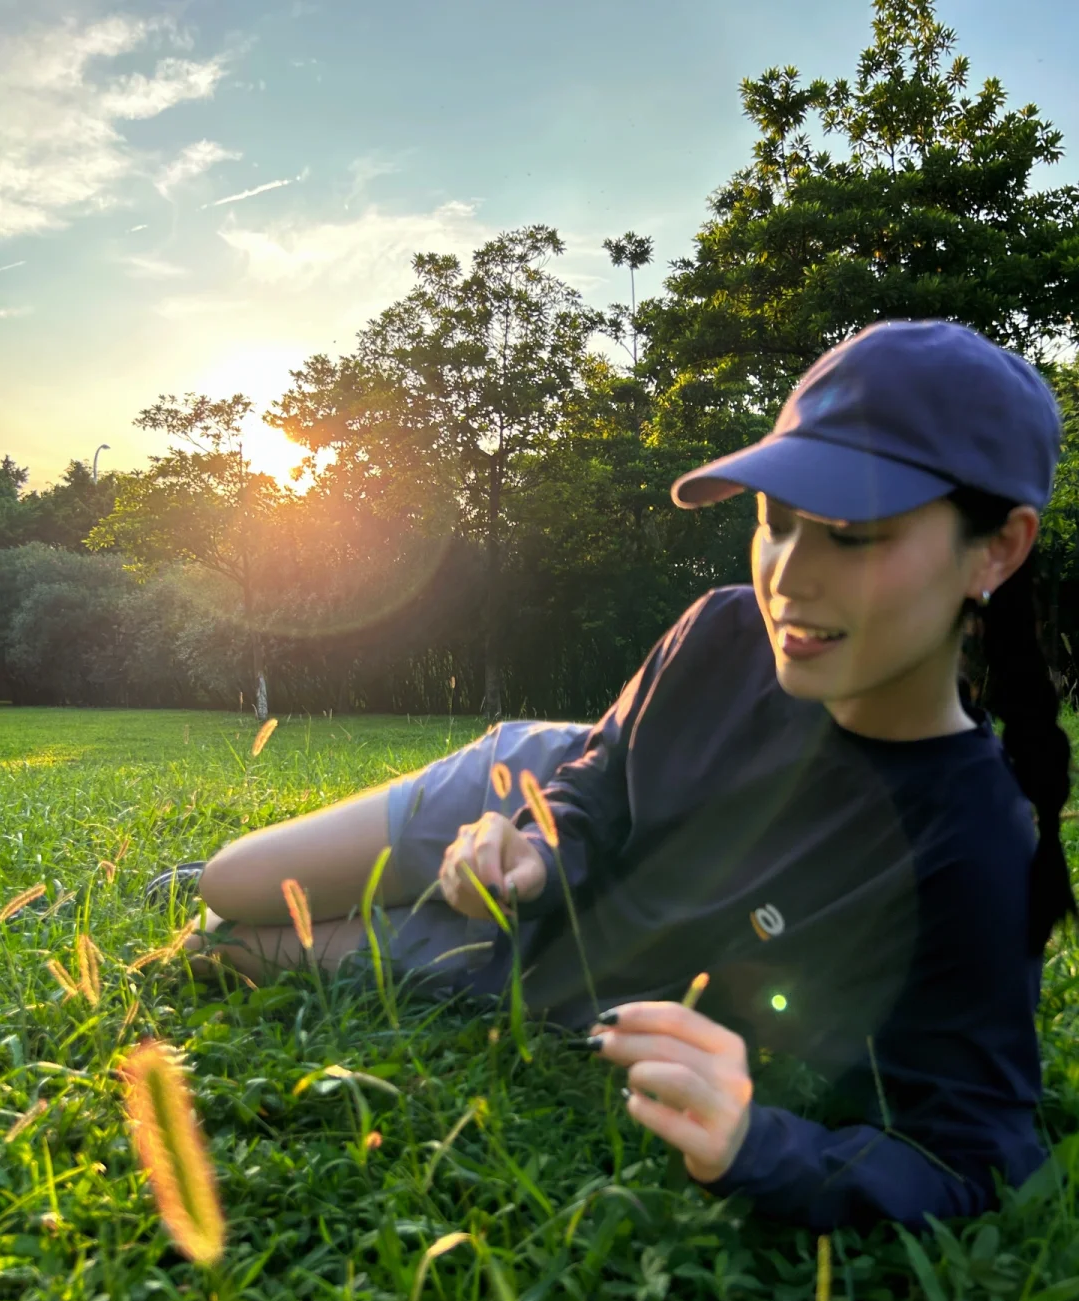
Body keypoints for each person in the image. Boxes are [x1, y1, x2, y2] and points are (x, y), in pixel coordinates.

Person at [157, 319, 1076, 1234]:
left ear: (996, 549)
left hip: (581, 966)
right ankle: (220, 878)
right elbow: (601, 771)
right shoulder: (722, 629)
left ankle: (342, 908)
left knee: (220, 947)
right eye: (777, 523)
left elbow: (972, 1151)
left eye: (853, 534)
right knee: (227, 881)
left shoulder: (974, 841)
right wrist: (536, 850)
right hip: (523, 798)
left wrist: (758, 1146)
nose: (791, 576)